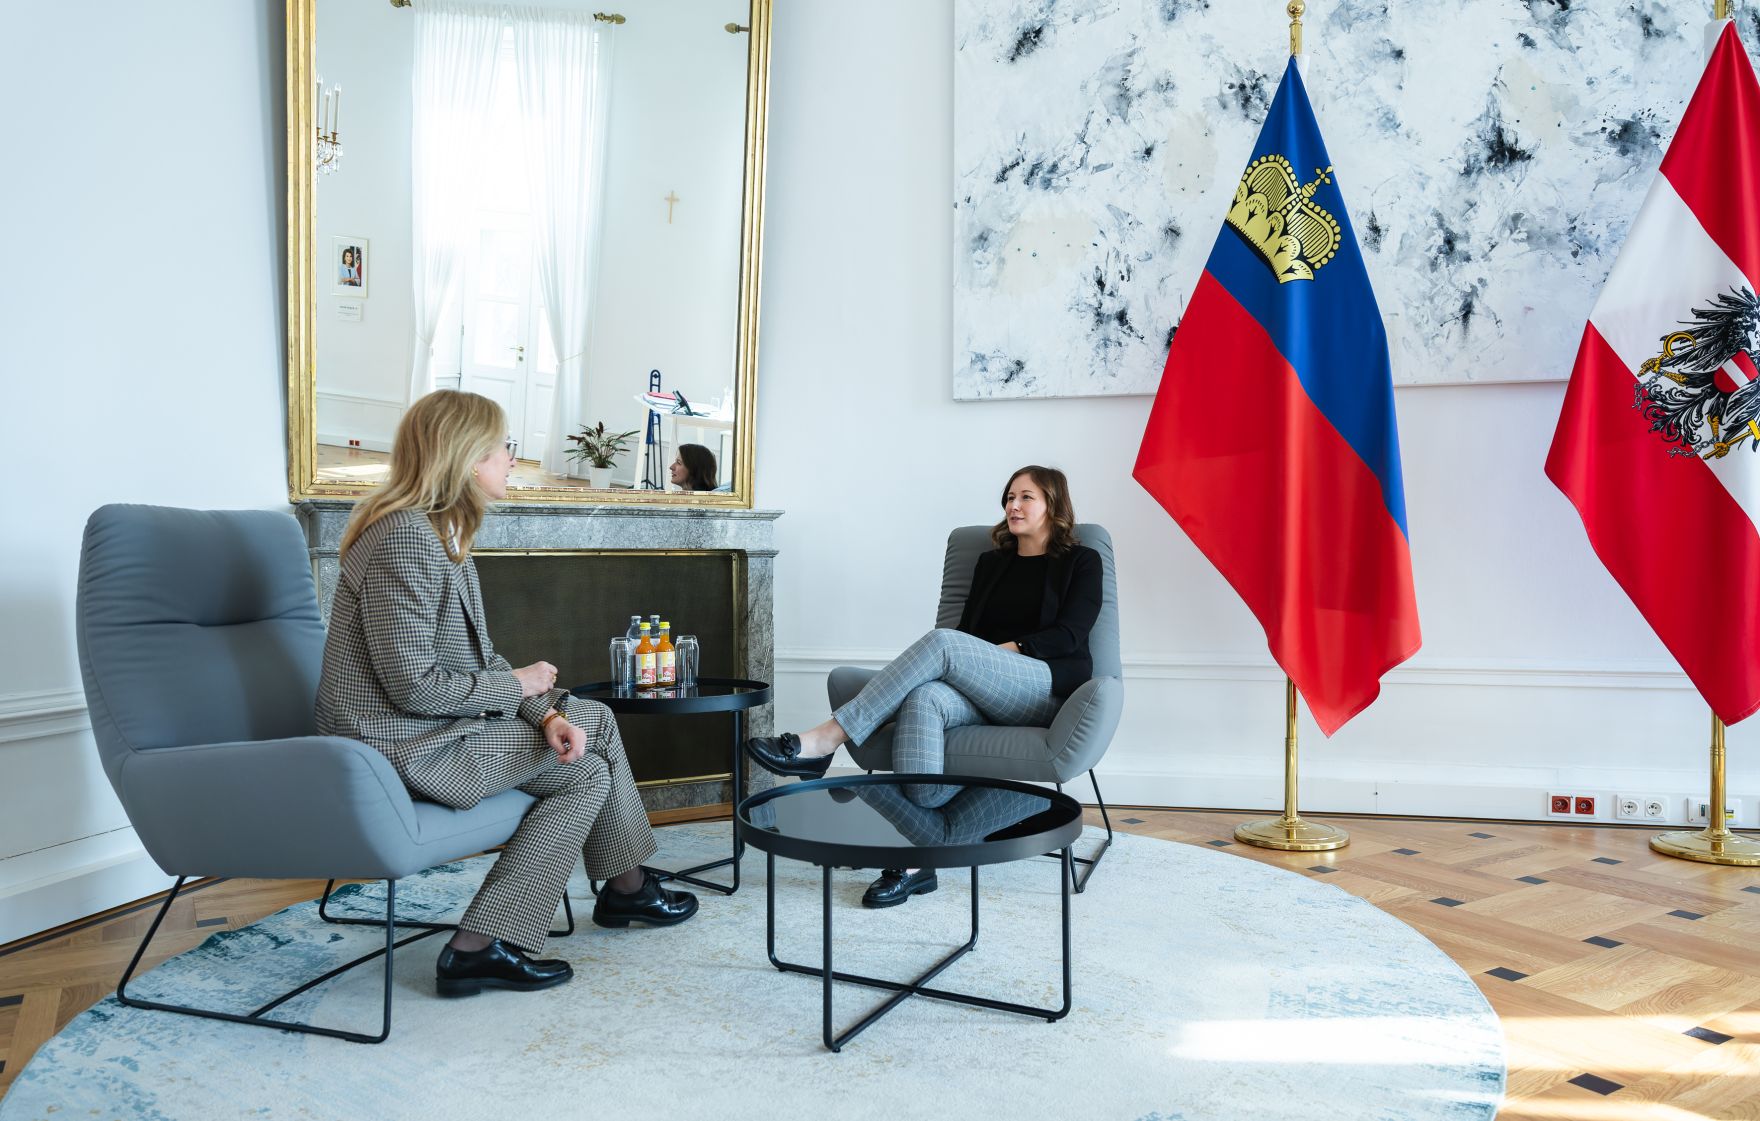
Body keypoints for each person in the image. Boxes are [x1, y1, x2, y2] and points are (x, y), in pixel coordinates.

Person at [315, 390, 696, 998]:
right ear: (467, 458)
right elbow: (411, 687)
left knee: (586, 737)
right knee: (588, 755)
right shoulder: (404, 540)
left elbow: (477, 658)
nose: (512, 458)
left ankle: (606, 898)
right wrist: (518, 685)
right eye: (503, 447)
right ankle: (583, 906)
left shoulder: (443, 532)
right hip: (395, 746)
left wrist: (543, 712)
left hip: (433, 729)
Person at [744, 464, 1101, 907]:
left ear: (1053, 504)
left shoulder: (1081, 561)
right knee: (924, 697)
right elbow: (970, 630)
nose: (1013, 505)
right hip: (979, 687)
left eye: (1026, 496)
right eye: (1009, 497)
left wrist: (993, 656)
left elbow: (1071, 634)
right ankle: (917, 860)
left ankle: (826, 738)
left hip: (1040, 688)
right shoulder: (992, 563)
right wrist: (976, 662)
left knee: (944, 644)